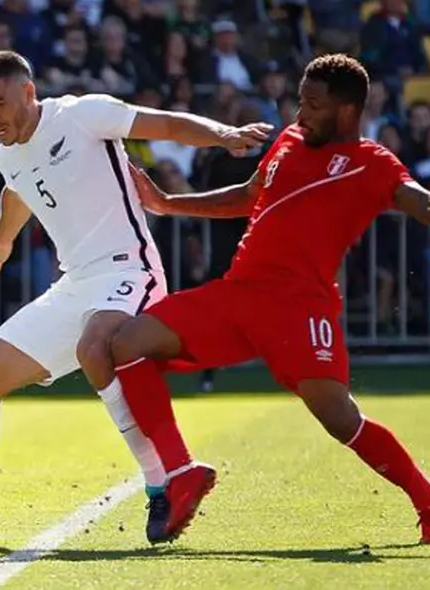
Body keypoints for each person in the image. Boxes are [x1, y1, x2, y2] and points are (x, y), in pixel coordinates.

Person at [0, 50, 271, 545]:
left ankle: (160, 487)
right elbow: (18, 189)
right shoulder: (9, 153)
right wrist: (2, 239)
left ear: (28, 92)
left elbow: (167, 126)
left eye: (0, 103)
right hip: (74, 286)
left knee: (94, 348)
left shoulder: (82, 114)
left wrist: (221, 133)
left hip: (129, 270)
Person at [110, 53, 430, 544]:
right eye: (300, 101)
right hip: (238, 294)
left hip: (300, 307)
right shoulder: (289, 138)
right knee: (127, 342)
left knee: (340, 419)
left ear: (347, 111)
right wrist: (168, 204)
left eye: (313, 105)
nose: (301, 114)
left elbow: (419, 202)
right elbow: (248, 194)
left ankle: (425, 500)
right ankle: (182, 474)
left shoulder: (373, 162)